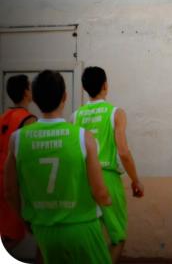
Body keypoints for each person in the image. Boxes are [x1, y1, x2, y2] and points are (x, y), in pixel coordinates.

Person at [3, 70, 111, 263]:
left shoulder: (17, 139)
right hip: (82, 226)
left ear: (35, 99)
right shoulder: (83, 136)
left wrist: (26, 219)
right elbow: (99, 191)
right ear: (65, 96)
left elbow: (10, 191)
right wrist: (108, 202)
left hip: (43, 229)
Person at [72, 66, 144, 263]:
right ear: (105, 85)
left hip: (83, 180)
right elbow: (123, 151)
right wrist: (135, 180)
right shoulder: (115, 113)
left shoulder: (76, 116)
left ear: (84, 88)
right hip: (107, 177)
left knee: (90, 237)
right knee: (118, 236)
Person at [0, 74, 37, 251]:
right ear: (26, 92)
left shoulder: (3, 117)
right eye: (30, 87)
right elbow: (32, 155)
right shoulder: (28, 120)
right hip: (13, 182)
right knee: (16, 233)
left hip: (1, 179)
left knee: (6, 232)